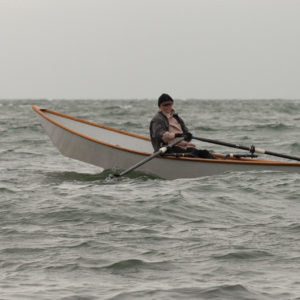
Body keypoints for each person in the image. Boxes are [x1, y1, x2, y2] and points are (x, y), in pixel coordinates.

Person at [149, 93, 216, 159]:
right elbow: (162, 136)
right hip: (167, 149)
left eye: (170, 104)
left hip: (182, 146)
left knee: (204, 153)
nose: (168, 107)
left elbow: (185, 133)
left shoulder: (176, 117)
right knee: (192, 154)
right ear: (160, 107)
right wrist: (177, 135)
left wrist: (188, 136)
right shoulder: (157, 119)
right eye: (165, 105)